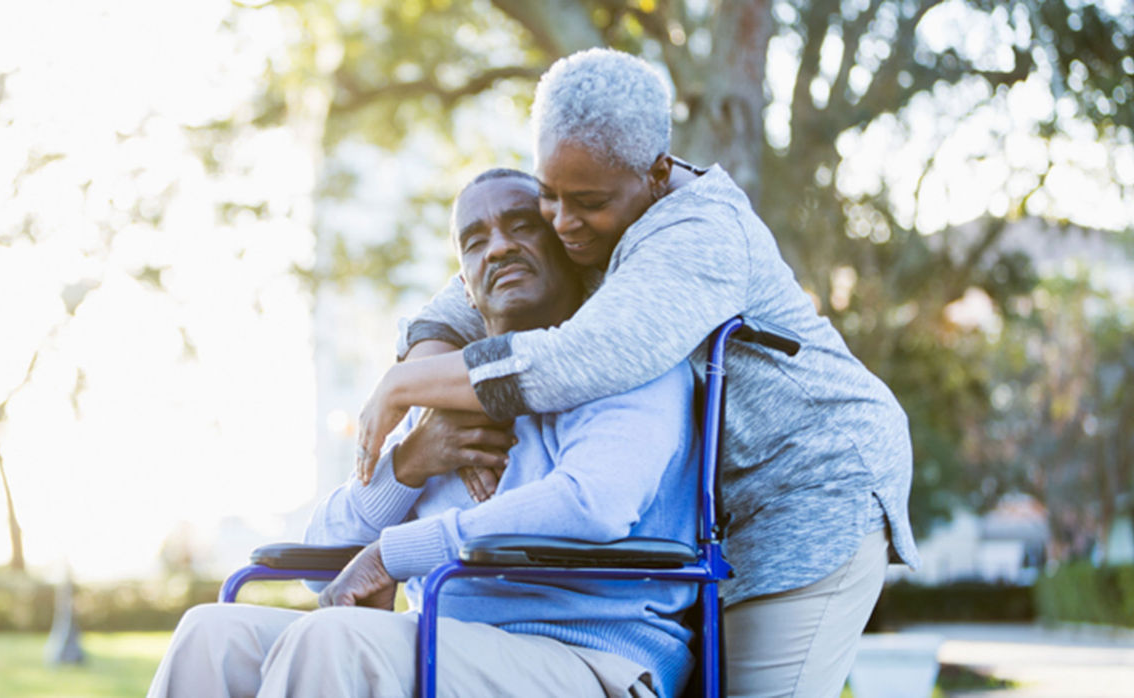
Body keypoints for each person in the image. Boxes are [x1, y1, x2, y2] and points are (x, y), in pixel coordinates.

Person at [356, 49, 921, 697]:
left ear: (656, 174)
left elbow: (578, 361)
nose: (563, 224)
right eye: (549, 196)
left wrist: (401, 388)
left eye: (587, 202)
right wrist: (437, 404)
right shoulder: (585, 220)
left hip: (810, 485)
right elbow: (451, 308)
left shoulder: (697, 234)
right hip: (714, 512)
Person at [147, 168, 702, 698]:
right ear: (465, 287)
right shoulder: (442, 390)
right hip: (446, 646)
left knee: (334, 640)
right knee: (210, 636)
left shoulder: (628, 358)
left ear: (566, 244)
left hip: (591, 657)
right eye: (475, 240)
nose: (500, 247)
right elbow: (320, 564)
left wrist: (395, 553)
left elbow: (593, 504)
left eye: (521, 225)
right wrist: (408, 464)